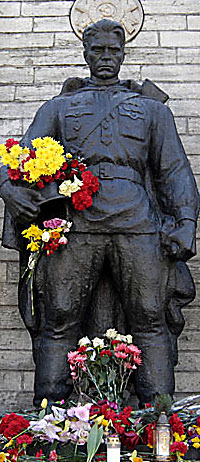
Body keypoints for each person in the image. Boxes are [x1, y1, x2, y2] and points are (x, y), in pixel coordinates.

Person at [0, 19, 199, 407]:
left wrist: (186, 221)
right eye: (99, 50)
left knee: (150, 317)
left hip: (137, 221)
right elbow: (16, 159)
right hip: (76, 223)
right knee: (58, 318)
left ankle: (159, 421)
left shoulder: (151, 111)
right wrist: (8, 190)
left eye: (114, 51)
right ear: (86, 53)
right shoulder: (58, 108)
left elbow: (174, 170)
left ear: (123, 55)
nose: (106, 57)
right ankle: (49, 418)